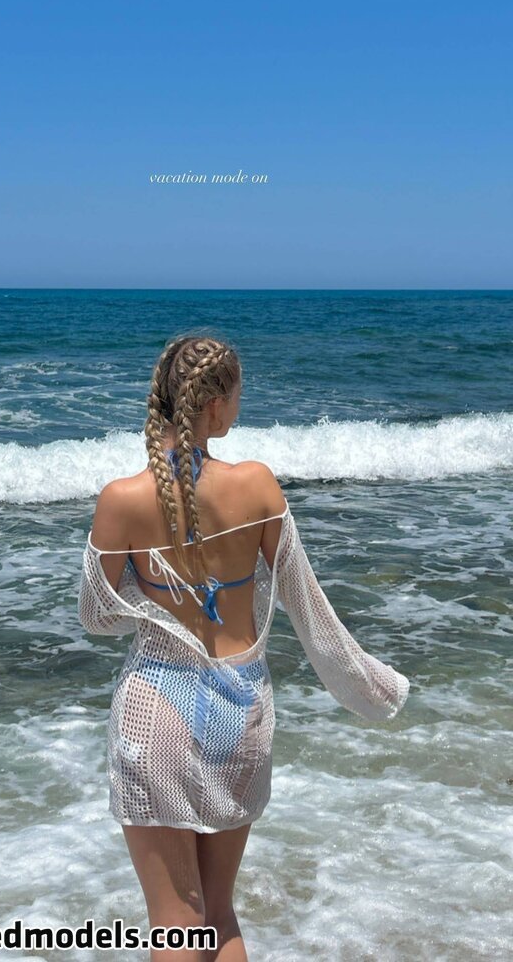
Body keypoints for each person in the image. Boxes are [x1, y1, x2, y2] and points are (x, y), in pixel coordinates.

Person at [78, 333, 410, 962]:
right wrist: (370, 685)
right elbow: (308, 607)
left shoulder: (121, 498)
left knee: (176, 921)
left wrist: (162, 598)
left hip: (156, 709)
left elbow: (98, 616)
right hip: (244, 707)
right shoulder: (256, 485)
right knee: (219, 916)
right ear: (215, 404)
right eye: (237, 395)